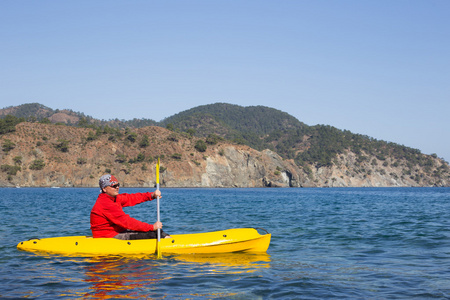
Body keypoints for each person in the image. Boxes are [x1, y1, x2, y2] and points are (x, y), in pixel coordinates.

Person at [90, 174, 171, 240]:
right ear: (104, 189)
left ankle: (167, 237)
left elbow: (132, 198)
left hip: (117, 231)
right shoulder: (105, 203)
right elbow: (126, 222)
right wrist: (151, 227)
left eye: (118, 185)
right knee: (154, 233)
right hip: (108, 237)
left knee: (157, 232)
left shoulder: (114, 198)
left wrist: (151, 195)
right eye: (113, 186)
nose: (117, 187)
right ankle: (168, 240)